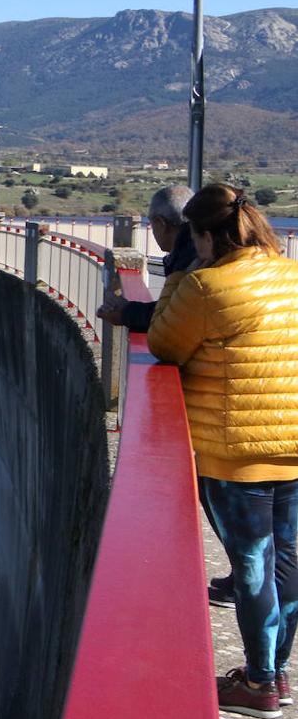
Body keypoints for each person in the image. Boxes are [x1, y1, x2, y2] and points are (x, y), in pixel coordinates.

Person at [148, 184, 298, 719]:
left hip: (236, 453)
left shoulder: (205, 286)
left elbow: (165, 343)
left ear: (206, 234)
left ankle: (260, 685)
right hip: (293, 445)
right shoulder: (291, 274)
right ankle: (274, 672)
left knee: (252, 567)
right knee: (285, 561)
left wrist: (176, 276)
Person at [97, 186, 237, 607]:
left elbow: (169, 329)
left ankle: (264, 666)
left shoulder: (195, 270)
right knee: (274, 535)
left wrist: (126, 314)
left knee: (237, 521)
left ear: (161, 224)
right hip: (275, 418)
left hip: (225, 417)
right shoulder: (272, 274)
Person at [97, 185, 194, 332]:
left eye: (152, 223)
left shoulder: (191, 259)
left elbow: (176, 316)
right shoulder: (196, 247)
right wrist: (129, 309)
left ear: (161, 223)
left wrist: (125, 314)